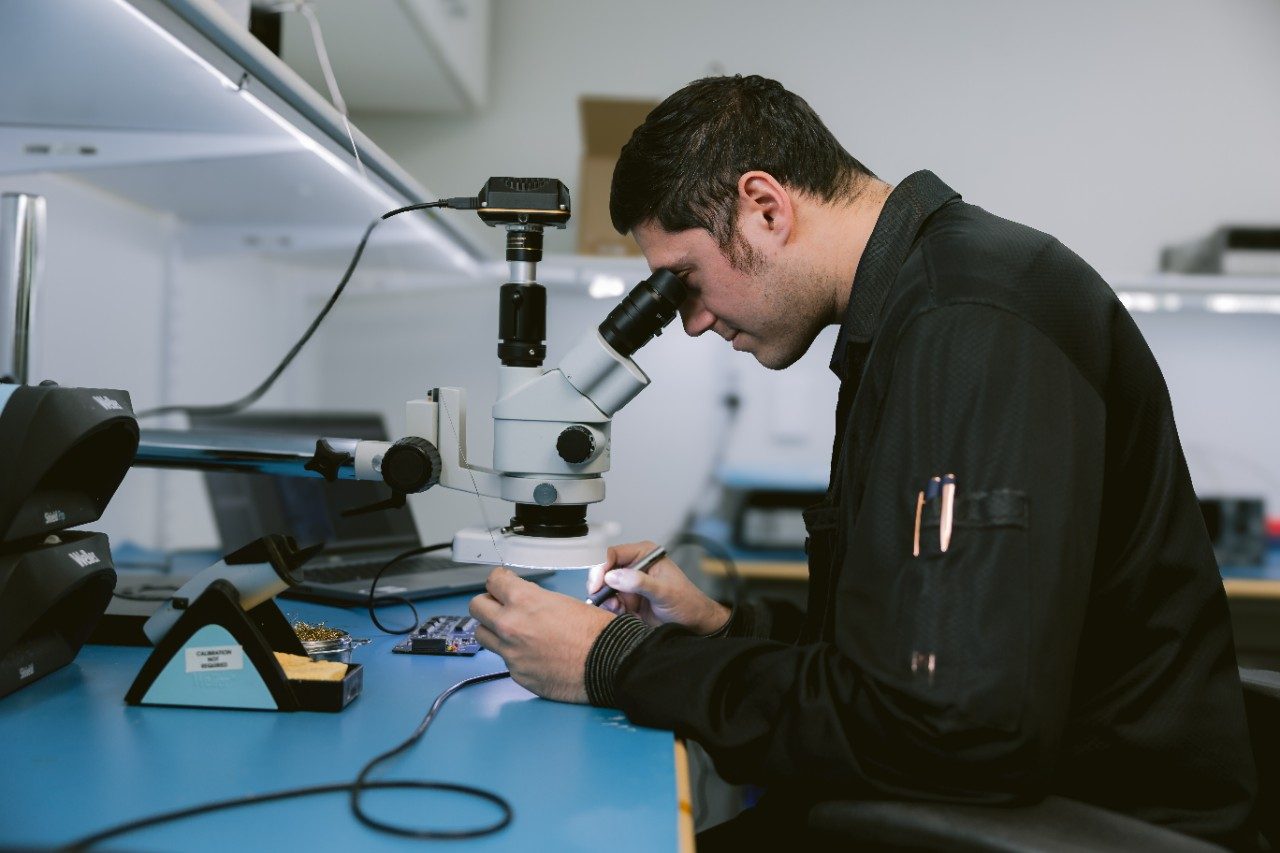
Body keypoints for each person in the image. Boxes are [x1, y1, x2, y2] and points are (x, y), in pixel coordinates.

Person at [468, 75, 1257, 847]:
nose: (696, 321)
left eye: (687, 282)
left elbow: (949, 725)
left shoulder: (970, 325)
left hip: (1085, 819)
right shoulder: (918, 309)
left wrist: (619, 661)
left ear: (766, 207)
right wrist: (726, 628)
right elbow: (909, 650)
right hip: (1019, 797)